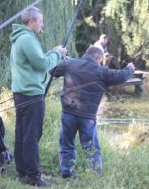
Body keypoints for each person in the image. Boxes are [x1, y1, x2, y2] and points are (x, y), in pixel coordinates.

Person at [53, 46, 135, 178]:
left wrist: (57, 54)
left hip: (68, 112)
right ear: (97, 57)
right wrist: (130, 68)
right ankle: (95, 176)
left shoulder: (70, 63)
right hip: (87, 117)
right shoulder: (101, 71)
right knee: (91, 148)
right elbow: (120, 77)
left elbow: (52, 70)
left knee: (67, 144)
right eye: (100, 60)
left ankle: (66, 172)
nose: (100, 62)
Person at [9, 6, 67, 187]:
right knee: (32, 135)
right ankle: (33, 176)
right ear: (32, 22)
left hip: (21, 93)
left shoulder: (20, 38)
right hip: (31, 94)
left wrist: (53, 51)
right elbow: (42, 64)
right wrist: (58, 54)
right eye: (40, 21)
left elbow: (37, 59)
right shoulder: (28, 39)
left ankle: (22, 171)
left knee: (22, 133)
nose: (43, 24)